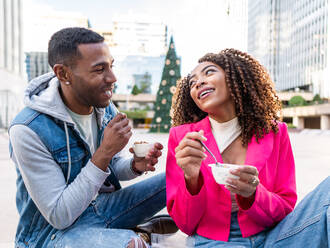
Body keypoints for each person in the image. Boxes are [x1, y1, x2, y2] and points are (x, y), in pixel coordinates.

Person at [9, 27, 166, 248]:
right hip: (51, 233)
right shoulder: (27, 129)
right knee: (132, 245)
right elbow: (59, 215)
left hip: (102, 207)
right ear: (63, 74)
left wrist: (134, 165)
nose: (112, 78)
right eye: (99, 69)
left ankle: (133, 233)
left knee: (176, 177)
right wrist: (104, 152)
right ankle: (135, 235)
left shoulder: (103, 106)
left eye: (111, 66)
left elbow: (111, 167)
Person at [166, 48, 330, 247]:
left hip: (275, 236)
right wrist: (191, 178)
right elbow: (185, 224)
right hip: (215, 242)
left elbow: (285, 207)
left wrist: (254, 194)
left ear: (236, 77)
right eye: (192, 82)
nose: (198, 82)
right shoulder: (183, 138)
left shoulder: (275, 131)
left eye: (209, 72)